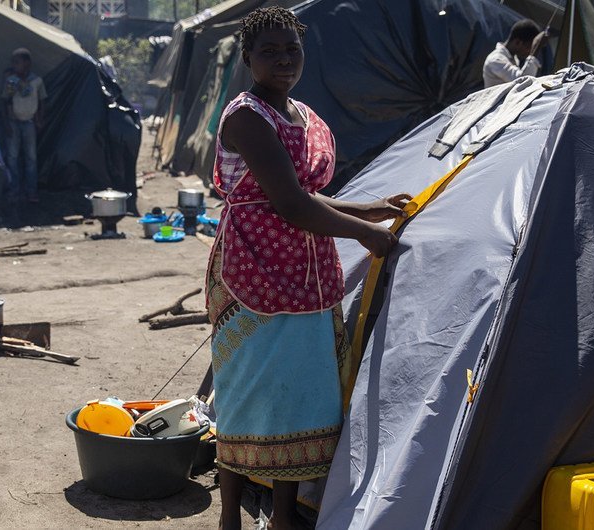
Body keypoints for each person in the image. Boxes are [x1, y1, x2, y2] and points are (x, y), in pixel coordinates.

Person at [207, 7, 411, 530]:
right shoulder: (247, 116)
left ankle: (281, 517)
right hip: (253, 269)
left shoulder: (305, 116)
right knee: (246, 392)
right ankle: (229, 514)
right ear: (248, 58)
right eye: (269, 51)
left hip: (306, 273)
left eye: (291, 50)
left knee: (297, 396)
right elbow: (290, 205)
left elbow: (308, 195)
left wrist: (370, 208)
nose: (282, 60)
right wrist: (366, 233)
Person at [1, 48, 47, 203]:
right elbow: (5, 101)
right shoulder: (11, 81)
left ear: (27, 63)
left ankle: (31, 191)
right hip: (14, 122)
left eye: (17, 62)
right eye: (13, 63)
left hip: (29, 123)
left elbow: (41, 101)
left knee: (31, 158)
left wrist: (40, 119)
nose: (14, 66)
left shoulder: (37, 81)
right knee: (13, 157)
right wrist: (6, 122)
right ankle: (15, 190)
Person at [483, 19, 549, 87]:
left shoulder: (513, 58)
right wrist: (535, 49)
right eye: (528, 47)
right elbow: (523, 82)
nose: (529, 52)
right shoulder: (496, 59)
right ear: (518, 42)